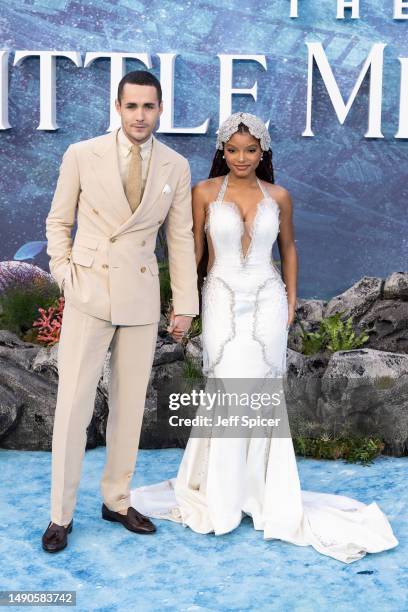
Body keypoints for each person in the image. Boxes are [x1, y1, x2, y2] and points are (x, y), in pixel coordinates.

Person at [130, 112, 399, 564]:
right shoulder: (202, 193)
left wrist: (292, 299)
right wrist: (185, 302)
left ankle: (262, 493)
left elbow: (289, 248)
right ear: (222, 150)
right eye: (233, 150)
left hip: (269, 303)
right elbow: (192, 250)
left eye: (250, 150)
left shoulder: (280, 196)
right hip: (221, 298)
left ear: (263, 152)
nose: (241, 158)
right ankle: (221, 493)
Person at [41, 70, 199, 552]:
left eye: (148, 107)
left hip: (140, 296)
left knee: (129, 409)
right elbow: (58, 221)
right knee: (72, 408)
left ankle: (116, 500)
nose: (140, 116)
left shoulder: (175, 165)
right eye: (132, 106)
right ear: (118, 107)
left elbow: (179, 238)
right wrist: (66, 273)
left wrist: (185, 304)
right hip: (88, 290)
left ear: (160, 110)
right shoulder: (81, 154)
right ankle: (60, 516)